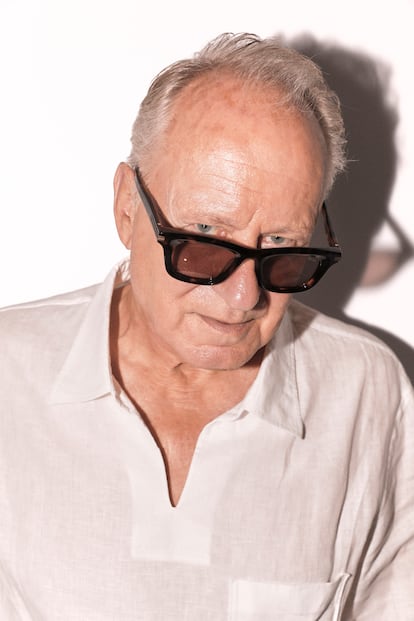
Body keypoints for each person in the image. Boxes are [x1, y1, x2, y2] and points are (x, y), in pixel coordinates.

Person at [0, 32, 413, 621]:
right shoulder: (8, 376)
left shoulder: (365, 391)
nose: (244, 298)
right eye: (205, 245)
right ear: (127, 208)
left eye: (283, 250)